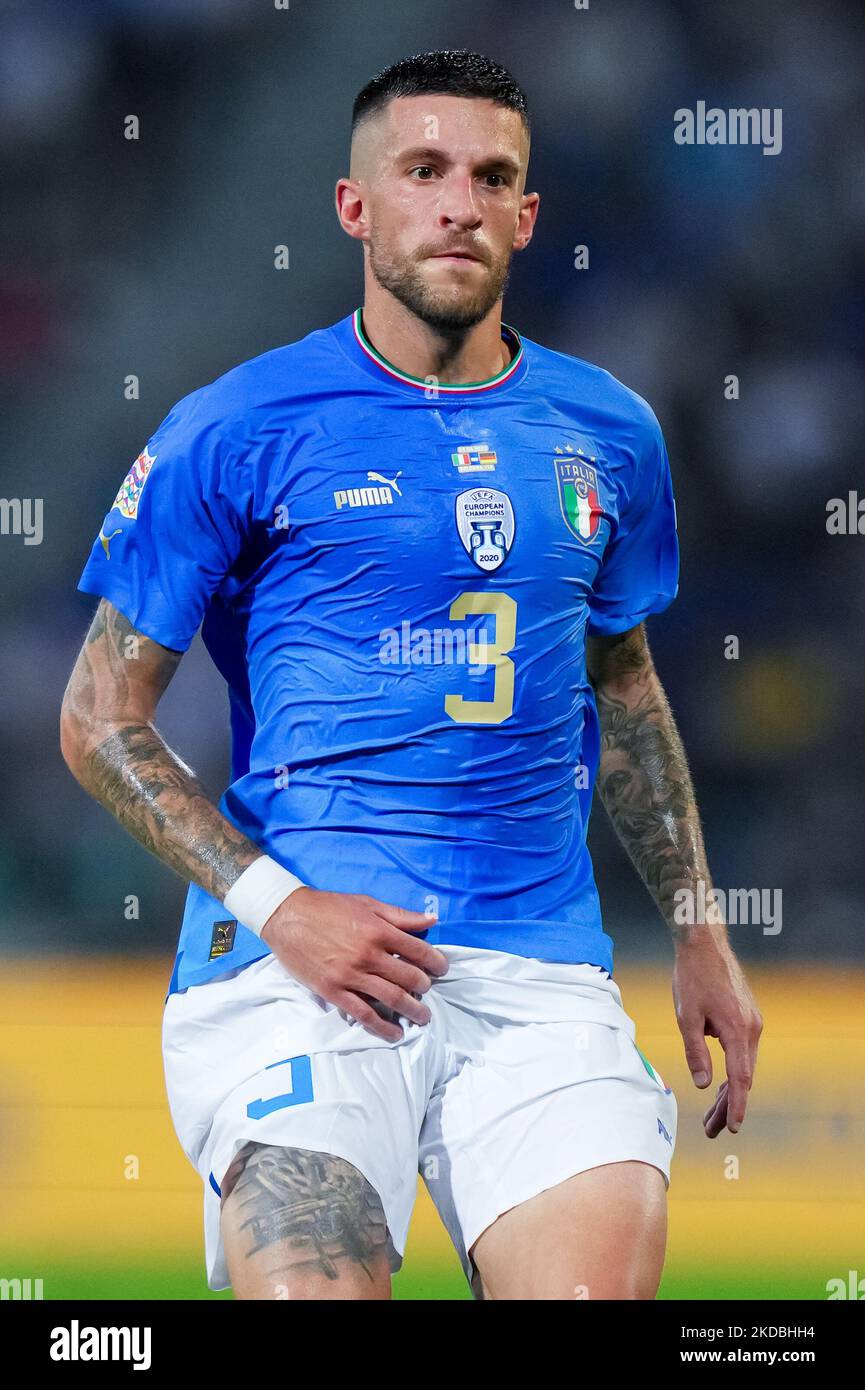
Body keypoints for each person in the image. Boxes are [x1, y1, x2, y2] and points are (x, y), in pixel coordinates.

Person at [60, 49, 762, 1301]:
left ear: (529, 215)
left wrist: (700, 929)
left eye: (493, 177)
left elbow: (629, 684)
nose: (460, 203)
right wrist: (286, 905)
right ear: (355, 206)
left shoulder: (608, 429)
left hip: (539, 973)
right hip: (293, 974)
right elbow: (98, 719)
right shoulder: (238, 426)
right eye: (423, 171)